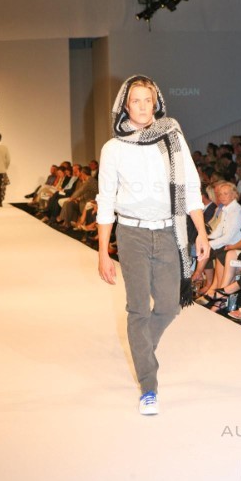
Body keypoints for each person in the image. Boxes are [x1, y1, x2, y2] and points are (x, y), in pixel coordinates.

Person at [97, 75, 210, 415]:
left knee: (169, 305)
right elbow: (106, 200)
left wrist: (201, 232)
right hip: (130, 233)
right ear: (125, 106)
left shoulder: (173, 137)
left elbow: (191, 186)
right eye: (136, 100)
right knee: (138, 309)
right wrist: (103, 252)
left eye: (148, 100)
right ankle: (149, 386)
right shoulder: (113, 148)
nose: (143, 106)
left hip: (168, 232)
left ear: (156, 103)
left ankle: (142, 348)